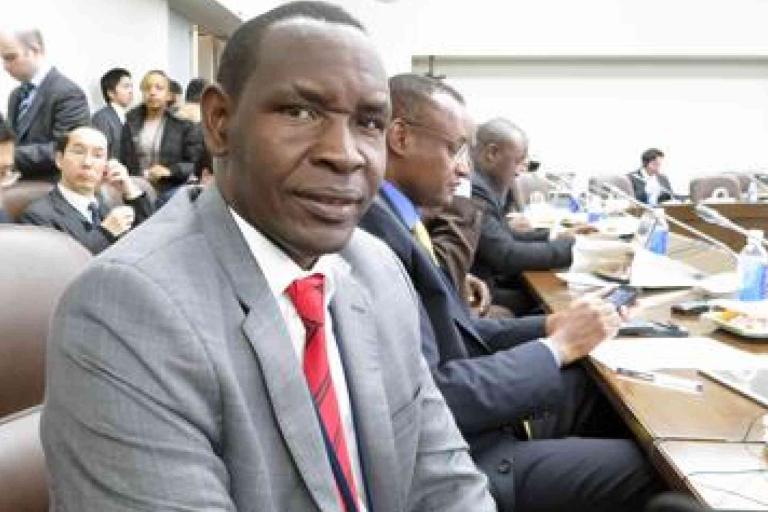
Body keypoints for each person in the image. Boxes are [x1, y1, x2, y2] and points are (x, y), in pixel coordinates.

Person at [41, 3, 496, 511]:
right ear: (219, 123)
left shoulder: (377, 268)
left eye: (369, 122)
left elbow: (446, 483)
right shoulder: (125, 309)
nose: (345, 153)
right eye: (301, 112)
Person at [359, 73, 661, 512]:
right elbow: (437, 396)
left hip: (477, 422)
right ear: (400, 137)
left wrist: (548, 324)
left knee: (600, 394)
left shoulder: (398, 218)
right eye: (455, 148)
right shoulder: (374, 234)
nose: (465, 167)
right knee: (648, 469)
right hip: (463, 456)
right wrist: (557, 346)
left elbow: (459, 338)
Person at [470, 118, 575, 314]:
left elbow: (503, 236)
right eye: (518, 161)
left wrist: (553, 238)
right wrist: (577, 250)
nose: (521, 171)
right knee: (559, 303)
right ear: (492, 153)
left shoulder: (482, 185)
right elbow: (507, 255)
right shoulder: (474, 189)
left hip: (488, 280)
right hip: (480, 292)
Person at [19, 126, 152, 254]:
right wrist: (105, 233)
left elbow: (149, 240)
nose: (87, 162)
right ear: (59, 160)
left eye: (98, 155)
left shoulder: (106, 206)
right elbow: (60, 267)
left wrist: (130, 191)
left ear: (106, 165)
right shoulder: (37, 216)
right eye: (78, 152)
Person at [0, 28, 89, 180]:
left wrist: (6, 155)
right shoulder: (15, 95)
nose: (5, 66)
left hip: (51, 188)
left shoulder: (68, 93)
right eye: (3, 59)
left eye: (11, 58)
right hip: (18, 183)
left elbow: (66, 149)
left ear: (35, 50)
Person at [119, 69, 203, 207]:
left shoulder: (182, 124)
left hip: (172, 190)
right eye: (147, 88)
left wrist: (170, 171)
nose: (152, 92)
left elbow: (195, 164)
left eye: (159, 88)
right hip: (136, 189)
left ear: (169, 95)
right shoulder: (130, 122)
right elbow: (123, 158)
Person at [91, 67, 133, 159]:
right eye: (126, 87)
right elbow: (101, 153)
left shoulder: (129, 117)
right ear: (111, 93)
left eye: (131, 87)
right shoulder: (101, 118)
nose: (131, 91)